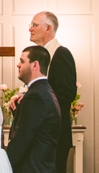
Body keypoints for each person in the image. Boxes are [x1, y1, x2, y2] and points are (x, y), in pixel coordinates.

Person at [24, 11, 77, 173]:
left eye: (34, 25)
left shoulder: (61, 54)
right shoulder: (39, 55)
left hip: (54, 135)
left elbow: (66, 94)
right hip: (41, 135)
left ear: (48, 28)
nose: (30, 29)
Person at [6, 46, 60, 173]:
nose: (18, 65)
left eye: (22, 61)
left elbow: (22, 139)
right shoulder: (43, 91)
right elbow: (35, 126)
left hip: (32, 168)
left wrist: (4, 165)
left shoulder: (36, 96)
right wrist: (18, 110)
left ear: (35, 65)